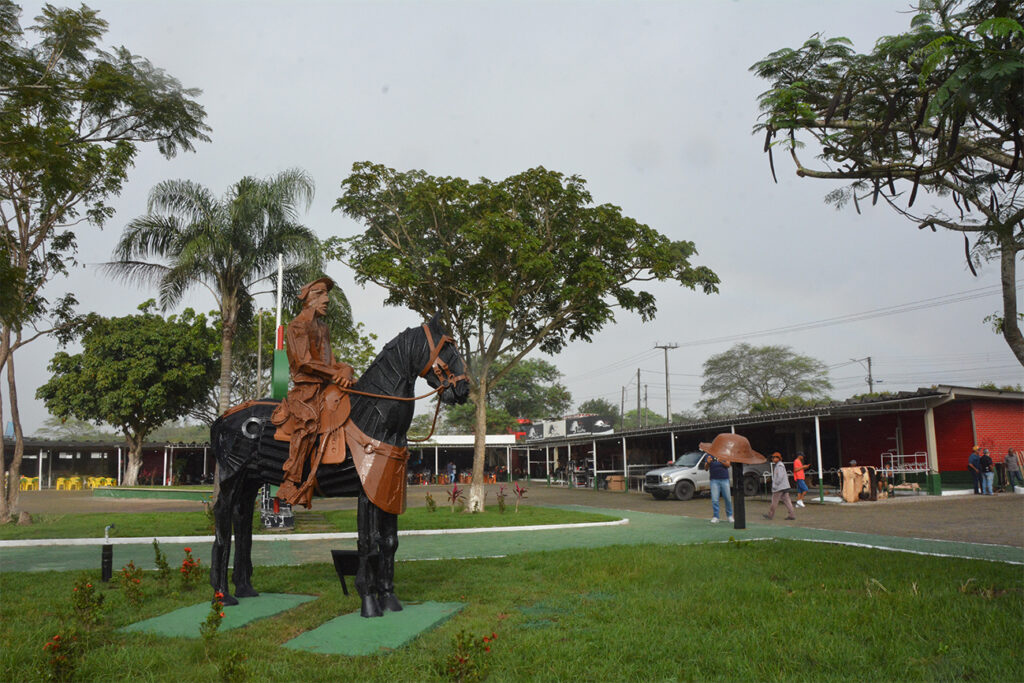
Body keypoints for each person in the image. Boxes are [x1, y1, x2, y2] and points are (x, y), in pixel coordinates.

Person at [271, 276, 354, 507]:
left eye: (326, 294)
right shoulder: (298, 326)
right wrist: (333, 373)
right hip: (306, 389)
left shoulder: (323, 328)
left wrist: (346, 370)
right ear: (308, 299)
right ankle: (290, 482)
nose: (327, 299)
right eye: (321, 294)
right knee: (308, 424)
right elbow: (305, 362)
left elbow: (330, 361)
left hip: (325, 387)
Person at [763, 452, 796, 520]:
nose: (773, 459)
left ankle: (770, 515)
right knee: (787, 501)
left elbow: (780, 477)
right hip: (784, 486)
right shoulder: (780, 465)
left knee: (774, 501)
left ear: (778, 458)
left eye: (774, 458)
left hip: (779, 487)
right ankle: (792, 515)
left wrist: (775, 485)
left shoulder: (779, 466)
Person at [703, 453, 734, 524]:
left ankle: (730, 516)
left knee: (728, 498)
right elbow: (706, 468)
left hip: (724, 479)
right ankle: (716, 516)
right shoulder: (709, 455)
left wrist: (720, 460)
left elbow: (728, 465)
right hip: (714, 480)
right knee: (714, 499)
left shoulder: (725, 453)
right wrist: (708, 462)